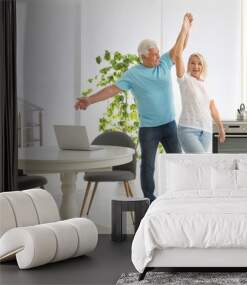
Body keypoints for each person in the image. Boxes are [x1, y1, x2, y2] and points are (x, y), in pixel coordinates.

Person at [75, 13, 193, 202]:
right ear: (142, 56)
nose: (157, 56)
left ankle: (181, 195)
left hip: (169, 124)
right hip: (149, 129)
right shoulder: (133, 74)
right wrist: (89, 100)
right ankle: (149, 198)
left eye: (157, 53)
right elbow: (112, 89)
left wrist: (185, 28)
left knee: (177, 161)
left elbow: (179, 49)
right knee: (147, 165)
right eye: (153, 54)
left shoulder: (163, 62)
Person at [175, 51, 225, 153]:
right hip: (188, 129)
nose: (196, 66)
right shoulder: (185, 80)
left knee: (198, 166)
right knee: (201, 161)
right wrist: (184, 35)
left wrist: (221, 128)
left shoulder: (207, 84)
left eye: (199, 63)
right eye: (192, 63)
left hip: (206, 130)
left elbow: (212, 108)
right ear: (188, 65)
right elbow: (178, 57)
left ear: (203, 66)